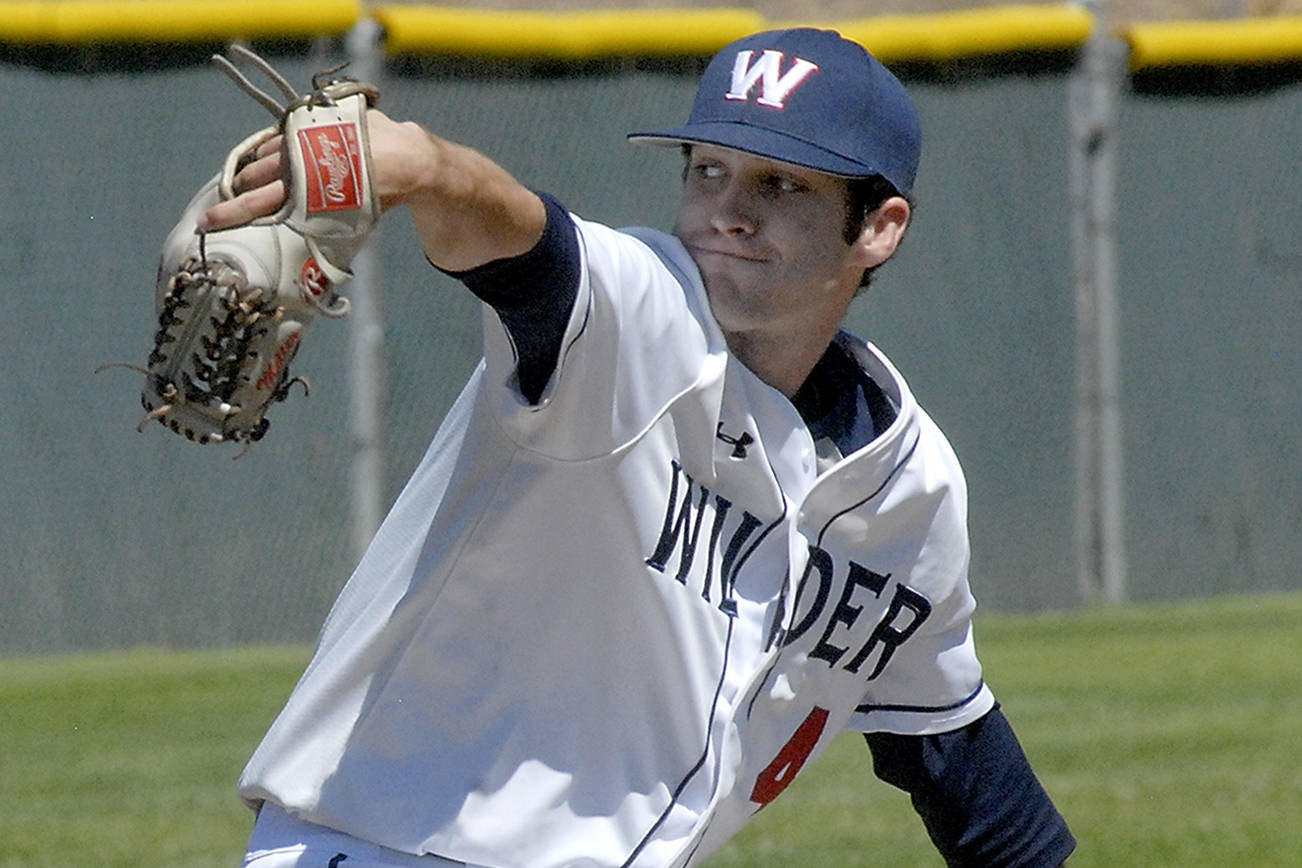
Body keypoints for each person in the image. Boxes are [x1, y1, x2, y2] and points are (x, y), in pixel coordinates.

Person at [206, 28, 1076, 868]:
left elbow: (962, 765)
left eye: (780, 185)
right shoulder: (641, 315)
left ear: (879, 227)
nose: (728, 215)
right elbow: (527, 245)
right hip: (382, 848)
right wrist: (432, 168)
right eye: (708, 172)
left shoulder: (910, 489)